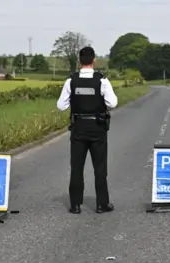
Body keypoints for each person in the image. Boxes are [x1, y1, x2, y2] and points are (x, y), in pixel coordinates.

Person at [56, 46, 118, 214]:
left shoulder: (71, 81)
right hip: (97, 128)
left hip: (78, 128)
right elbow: (113, 103)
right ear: (94, 60)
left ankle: (75, 205)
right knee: (100, 167)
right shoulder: (102, 81)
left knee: (76, 167)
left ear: (79, 60)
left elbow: (61, 106)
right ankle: (101, 204)